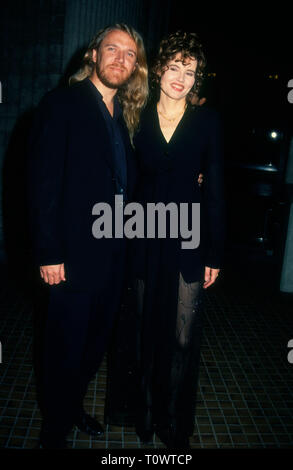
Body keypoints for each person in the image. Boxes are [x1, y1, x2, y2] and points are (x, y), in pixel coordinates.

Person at [27, 23, 148, 449]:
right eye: (111, 49)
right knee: (63, 346)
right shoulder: (62, 103)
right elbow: (42, 183)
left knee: (93, 343)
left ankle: (72, 406)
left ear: (136, 66)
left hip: (112, 256)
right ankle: (54, 430)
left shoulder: (124, 117)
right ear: (93, 55)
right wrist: (48, 252)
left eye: (129, 54)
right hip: (71, 255)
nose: (120, 58)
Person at [130, 30, 225, 448]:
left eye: (190, 71)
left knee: (183, 336)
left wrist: (216, 252)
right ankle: (146, 413)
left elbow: (217, 187)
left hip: (189, 235)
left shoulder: (207, 120)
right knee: (146, 330)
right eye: (175, 67)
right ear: (160, 69)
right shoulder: (137, 113)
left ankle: (172, 418)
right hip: (144, 235)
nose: (181, 77)